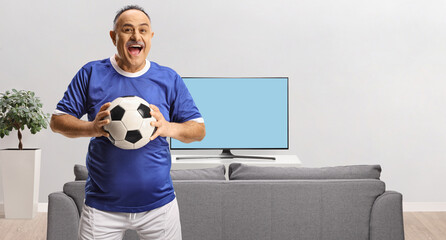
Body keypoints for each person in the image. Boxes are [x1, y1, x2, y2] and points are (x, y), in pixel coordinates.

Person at [50, 5, 205, 240]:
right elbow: (57, 121)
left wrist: (167, 127)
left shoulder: (168, 78)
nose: (136, 36)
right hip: (101, 207)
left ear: (151, 37)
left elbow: (198, 130)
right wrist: (91, 128)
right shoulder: (91, 73)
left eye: (143, 30)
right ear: (114, 37)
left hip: (159, 207)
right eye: (127, 29)